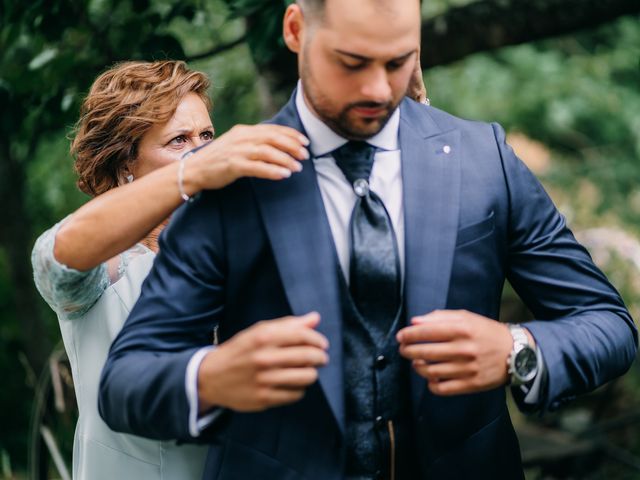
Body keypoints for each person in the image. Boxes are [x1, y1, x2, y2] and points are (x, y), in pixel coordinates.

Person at [98, 1, 637, 479]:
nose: (379, 90)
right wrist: (212, 377)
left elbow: (609, 325)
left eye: (399, 61)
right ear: (295, 30)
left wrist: (518, 350)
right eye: (352, 63)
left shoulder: (484, 159)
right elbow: (125, 382)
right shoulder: (233, 180)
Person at [31, 60, 311, 480]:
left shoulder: (233, 245)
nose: (202, 151)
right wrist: (192, 172)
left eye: (207, 136)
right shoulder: (109, 266)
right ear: (126, 163)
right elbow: (54, 257)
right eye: (179, 140)